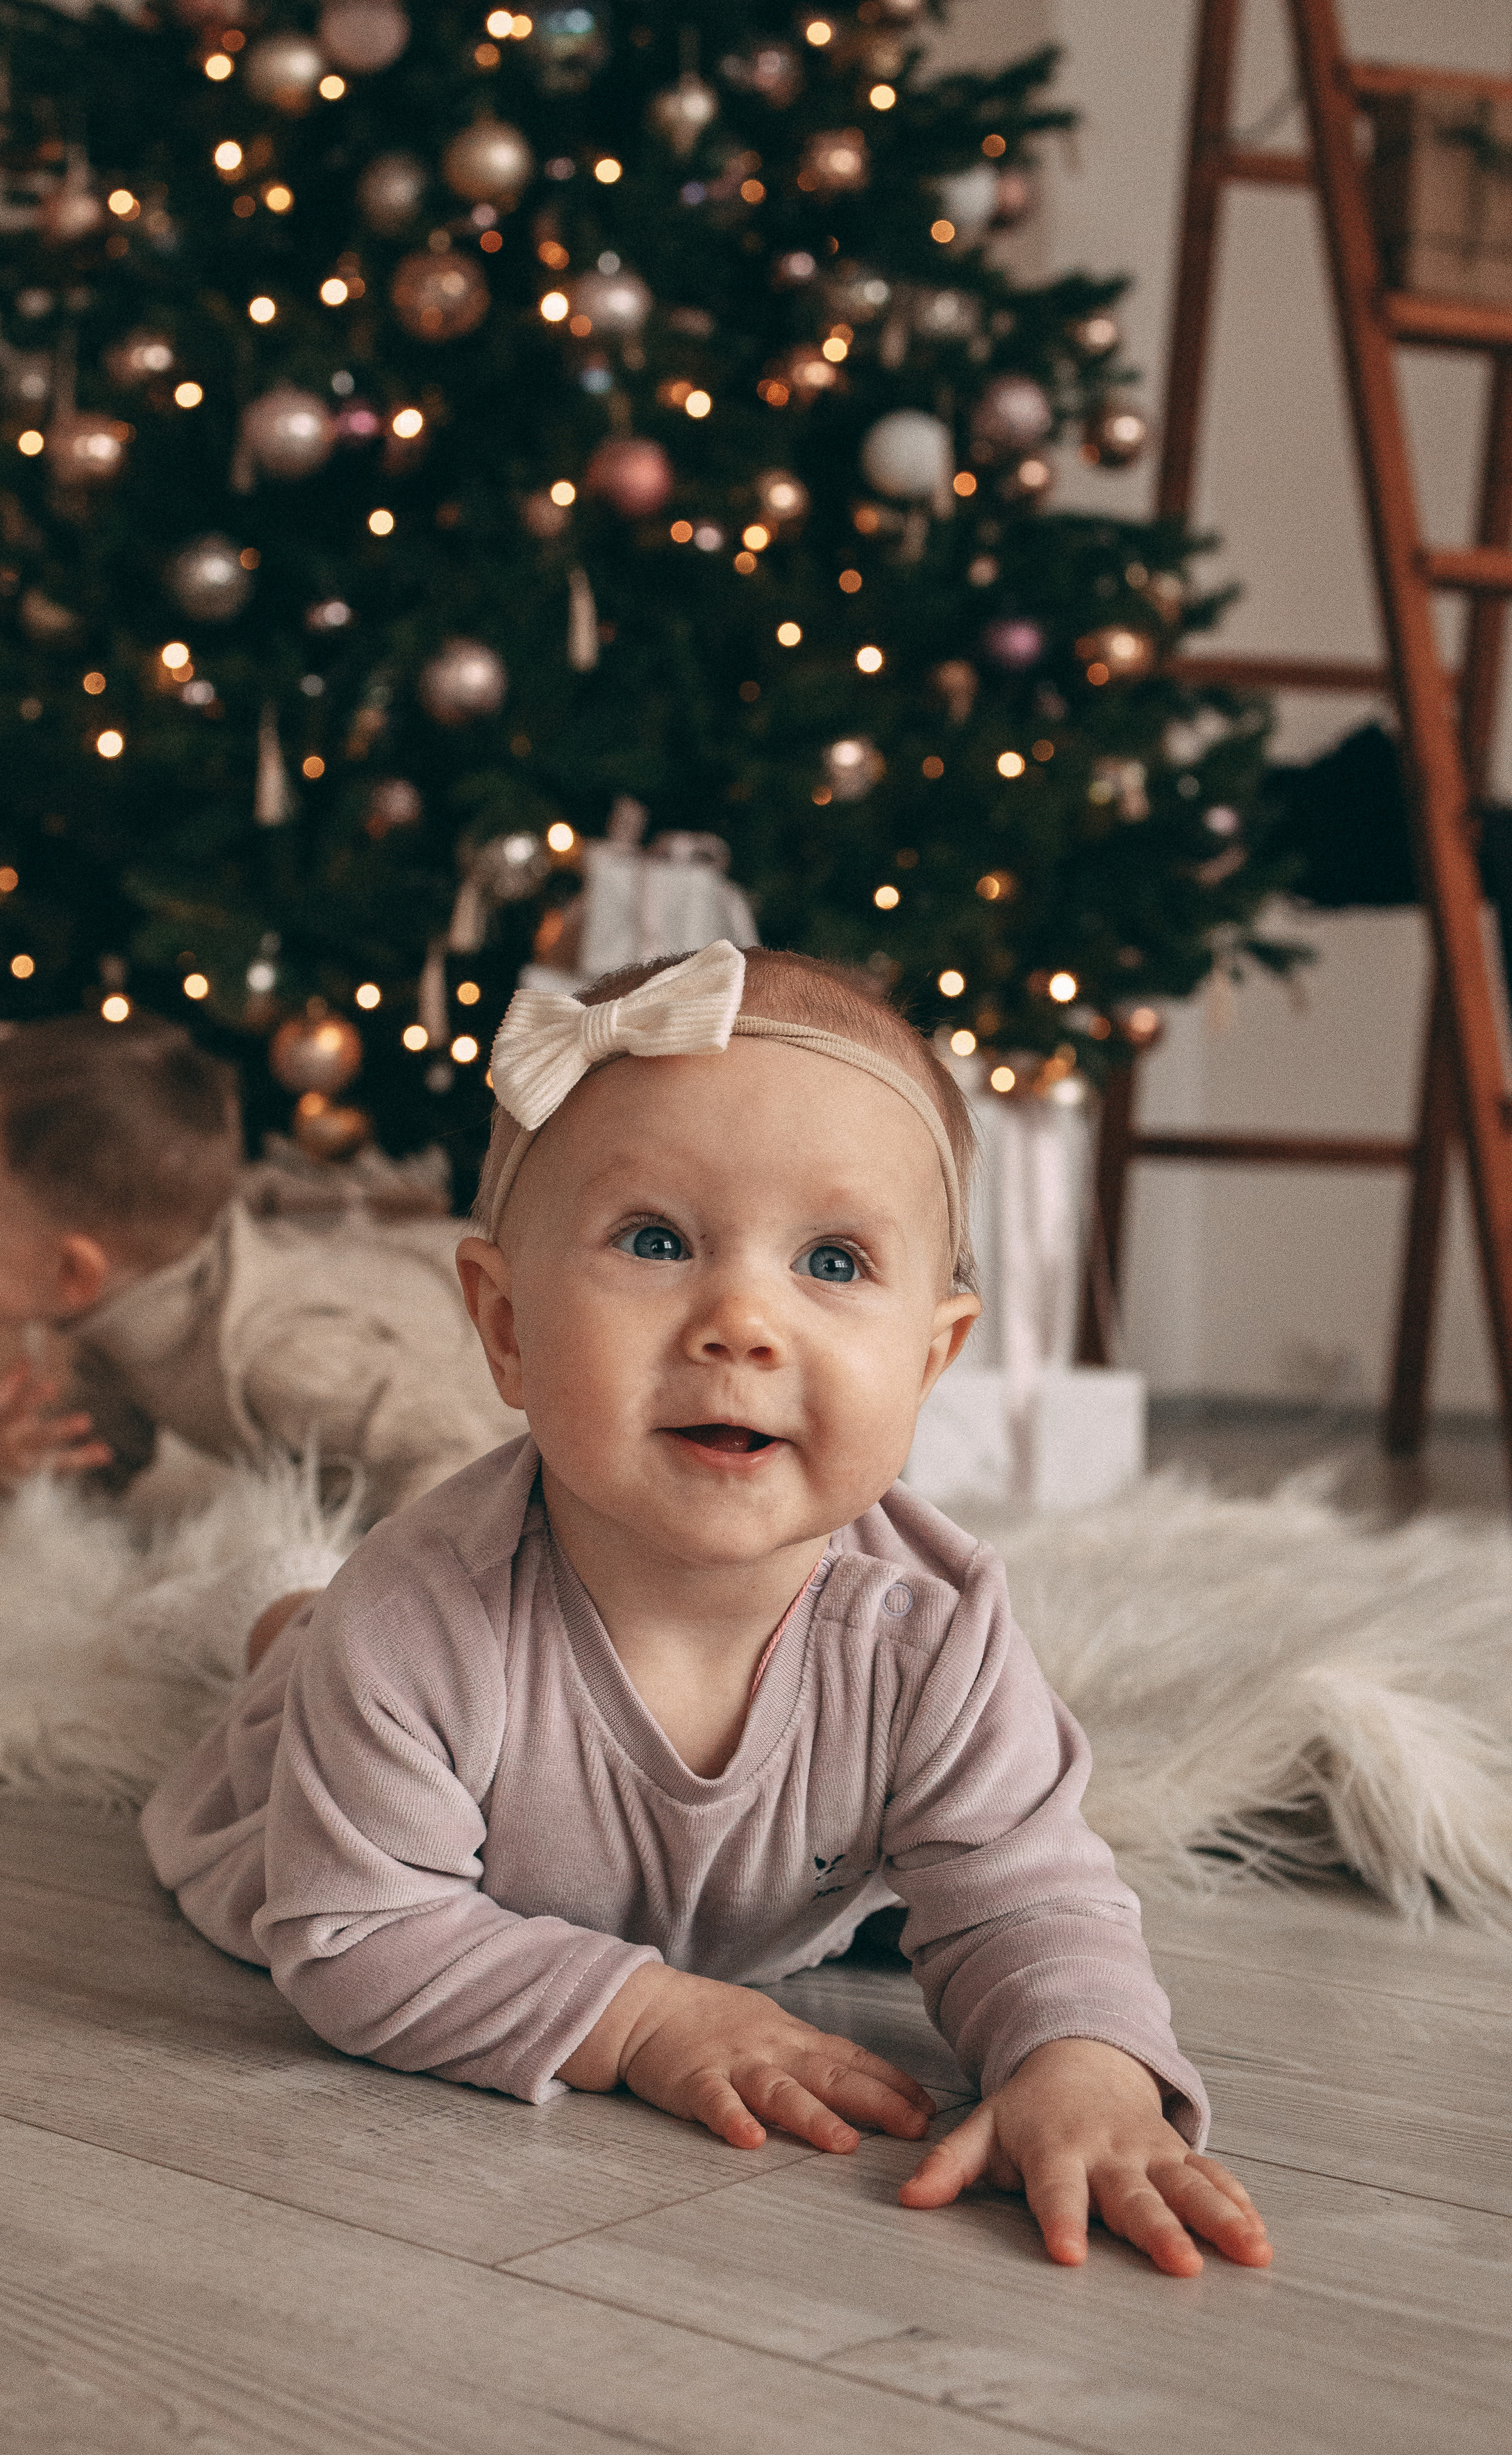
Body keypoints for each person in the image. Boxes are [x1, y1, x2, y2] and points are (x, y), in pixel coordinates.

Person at [142, 943, 1273, 2277]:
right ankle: (289, 1634)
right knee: (320, 1660)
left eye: (835, 1262)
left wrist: (1082, 2066)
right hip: (359, 1729)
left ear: (930, 1359)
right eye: (658, 1240)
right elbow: (361, 1932)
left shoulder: (932, 1629)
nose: (742, 1321)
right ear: (504, 1327)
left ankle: (296, 1624)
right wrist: (647, 2019)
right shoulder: (422, 1619)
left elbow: (1028, 1896)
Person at [0, 1014, 516, 1557]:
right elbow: (96, 1464)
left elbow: (453, 1457)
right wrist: (1, 1463)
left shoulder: (281, 1356)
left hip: (501, 1353)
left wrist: (380, 1597)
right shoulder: (120, 1325)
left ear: (74, 1271)